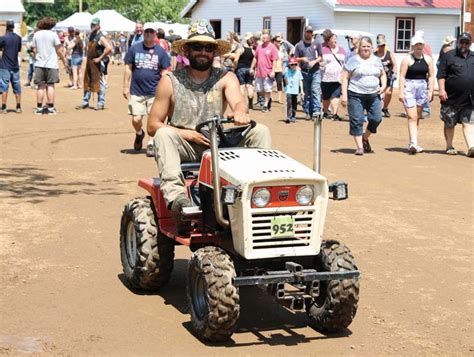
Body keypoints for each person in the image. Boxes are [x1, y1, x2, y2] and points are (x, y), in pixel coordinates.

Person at [147, 19, 271, 234]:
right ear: (187, 49)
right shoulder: (170, 80)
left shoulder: (225, 77)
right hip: (185, 145)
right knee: (164, 133)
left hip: (218, 144)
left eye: (208, 47)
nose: (203, 52)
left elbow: (238, 100)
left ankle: (258, 193)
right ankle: (178, 201)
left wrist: (240, 110)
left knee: (260, 131)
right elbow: (152, 125)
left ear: (214, 51)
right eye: (197, 47)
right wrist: (187, 134)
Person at [123, 23, 170, 157]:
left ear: (155, 34)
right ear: (143, 33)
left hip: (154, 92)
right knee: (136, 119)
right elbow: (128, 68)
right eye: (147, 32)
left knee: (153, 119)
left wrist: (165, 89)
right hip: (137, 90)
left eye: (151, 32)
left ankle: (151, 143)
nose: (149, 34)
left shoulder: (161, 52)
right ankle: (139, 134)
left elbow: (165, 71)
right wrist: (125, 86)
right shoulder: (134, 49)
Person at [341, 36, 386, 155]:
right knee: (357, 119)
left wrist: (384, 86)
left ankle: (365, 137)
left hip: (373, 94)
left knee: (376, 118)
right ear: (359, 47)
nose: (366, 48)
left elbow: (383, 74)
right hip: (355, 94)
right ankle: (360, 147)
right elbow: (345, 78)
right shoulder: (353, 60)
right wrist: (344, 95)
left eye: (368, 46)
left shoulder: (376, 60)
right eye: (363, 46)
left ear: (372, 47)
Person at [437, 32, 474, 157]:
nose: (464, 45)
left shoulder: (473, 56)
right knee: (449, 122)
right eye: (461, 42)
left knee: (468, 122)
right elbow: (441, 75)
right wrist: (442, 90)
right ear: (457, 42)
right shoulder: (449, 56)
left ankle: (471, 147)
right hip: (451, 97)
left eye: (466, 42)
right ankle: (449, 146)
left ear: (470, 43)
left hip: (470, 97)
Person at [398, 33, 435, 154]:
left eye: (420, 44)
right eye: (416, 44)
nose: (418, 46)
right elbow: (402, 76)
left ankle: (413, 141)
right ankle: (413, 143)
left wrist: (430, 91)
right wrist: (401, 92)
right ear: (412, 46)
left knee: (417, 116)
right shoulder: (407, 59)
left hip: (422, 87)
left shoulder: (428, 59)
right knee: (412, 116)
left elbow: (431, 76)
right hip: (409, 87)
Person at [31, 17, 68, 115]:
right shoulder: (53, 35)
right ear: (51, 25)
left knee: (40, 86)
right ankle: (51, 108)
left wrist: (37, 57)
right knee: (51, 85)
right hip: (52, 64)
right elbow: (59, 50)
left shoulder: (36, 34)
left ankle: (39, 108)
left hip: (39, 64)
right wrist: (64, 61)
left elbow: (34, 50)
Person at [76, 18, 112, 110]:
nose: (93, 26)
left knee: (99, 82)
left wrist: (100, 58)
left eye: (95, 25)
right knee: (87, 81)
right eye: (92, 25)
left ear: (99, 26)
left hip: (98, 63)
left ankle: (101, 102)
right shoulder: (91, 35)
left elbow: (109, 48)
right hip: (90, 62)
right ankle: (85, 102)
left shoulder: (100, 37)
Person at [294, 25, 323, 120]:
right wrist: (302, 59)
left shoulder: (317, 43)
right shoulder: (299, 45)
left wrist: (314, 61)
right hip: (304, 72)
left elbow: (320, 56)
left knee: (315, 91)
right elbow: (295, 58)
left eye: (310, 32)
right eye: (307, 32)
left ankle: (316, 112)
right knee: (306, 94)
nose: (309, 33)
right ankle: (307, 112)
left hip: (315, 71)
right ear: (304, 32)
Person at [320, 29, 346, 121]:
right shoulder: (323, 50)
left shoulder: (342, 50)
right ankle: (326, 112)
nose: (335, 40)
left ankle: (335, 113)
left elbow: (345, 63)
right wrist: (321, 64)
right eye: (333, 38)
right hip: (325, 78)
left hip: (338, 77)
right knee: (326, 96)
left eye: (336, 38)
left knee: (336, 95)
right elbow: (319, 61)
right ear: (328, 41)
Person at [251, 33, 279, 113]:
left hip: (268, 72)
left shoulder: (272, 47)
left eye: (265, 37)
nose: (263, 39)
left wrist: (273, 71)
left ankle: (265, 105)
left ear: (269, 38)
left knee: (267, 89)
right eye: (262, 37)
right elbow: (255, 58)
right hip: (259, 72)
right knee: (260, 90)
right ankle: (268, 99)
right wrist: (251, 68)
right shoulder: (259, 47)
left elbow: (274, 60)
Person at [0, 20, 22, 114]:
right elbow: (19, 50)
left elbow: (0, 48)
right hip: (15, 65)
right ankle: (18, 107)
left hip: (5, 65)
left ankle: (4, 107)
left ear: (6, 27)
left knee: (4, 86)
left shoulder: (3, 38)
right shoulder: (18, 38)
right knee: (16, 85)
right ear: (13, 27)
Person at [374, 34, 397, 118]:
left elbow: (394, 65)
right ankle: (375, 109)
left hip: (388, 76)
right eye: (380, 45)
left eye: (383, 45)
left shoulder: (389, 53)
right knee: (376, 94)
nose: (382, 47)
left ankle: (385, 108)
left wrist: (395, 73)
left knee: (388, 92)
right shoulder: (374, 54)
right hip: (377, 77)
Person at [234, 33, 255, 109]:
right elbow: (255, 60)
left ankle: (242, 102)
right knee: (249, 86)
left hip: (241, 69)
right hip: (249, 69)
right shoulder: (253, 51)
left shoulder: (241, 49)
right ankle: (250, 103)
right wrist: (252, 68)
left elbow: (236, 60)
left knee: (241, 86)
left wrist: (234, 68)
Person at [283, 57, 303, 123]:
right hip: (289, 90)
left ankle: (293, 116)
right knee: (289, 103)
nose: (293, 66)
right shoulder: (287, 71)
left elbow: (300, 81)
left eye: (295, 64)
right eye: (292, 64)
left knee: (294, 103)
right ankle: (288, 116)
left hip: (295, 91)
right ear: (289, 65)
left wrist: (302, 91)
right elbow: (285, 80)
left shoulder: (298, 72)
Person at [272, 35, 285, 104]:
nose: (280, 43)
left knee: (279, 83)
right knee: (270, 83)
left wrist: (282, 68)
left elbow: (282, 60)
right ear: (274, 42)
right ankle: (270, 97)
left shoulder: (281, 50)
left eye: (280, 42)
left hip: (279, 69)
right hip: (272, 69)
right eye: (278, 41)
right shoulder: (271, 49)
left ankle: (279, 98)